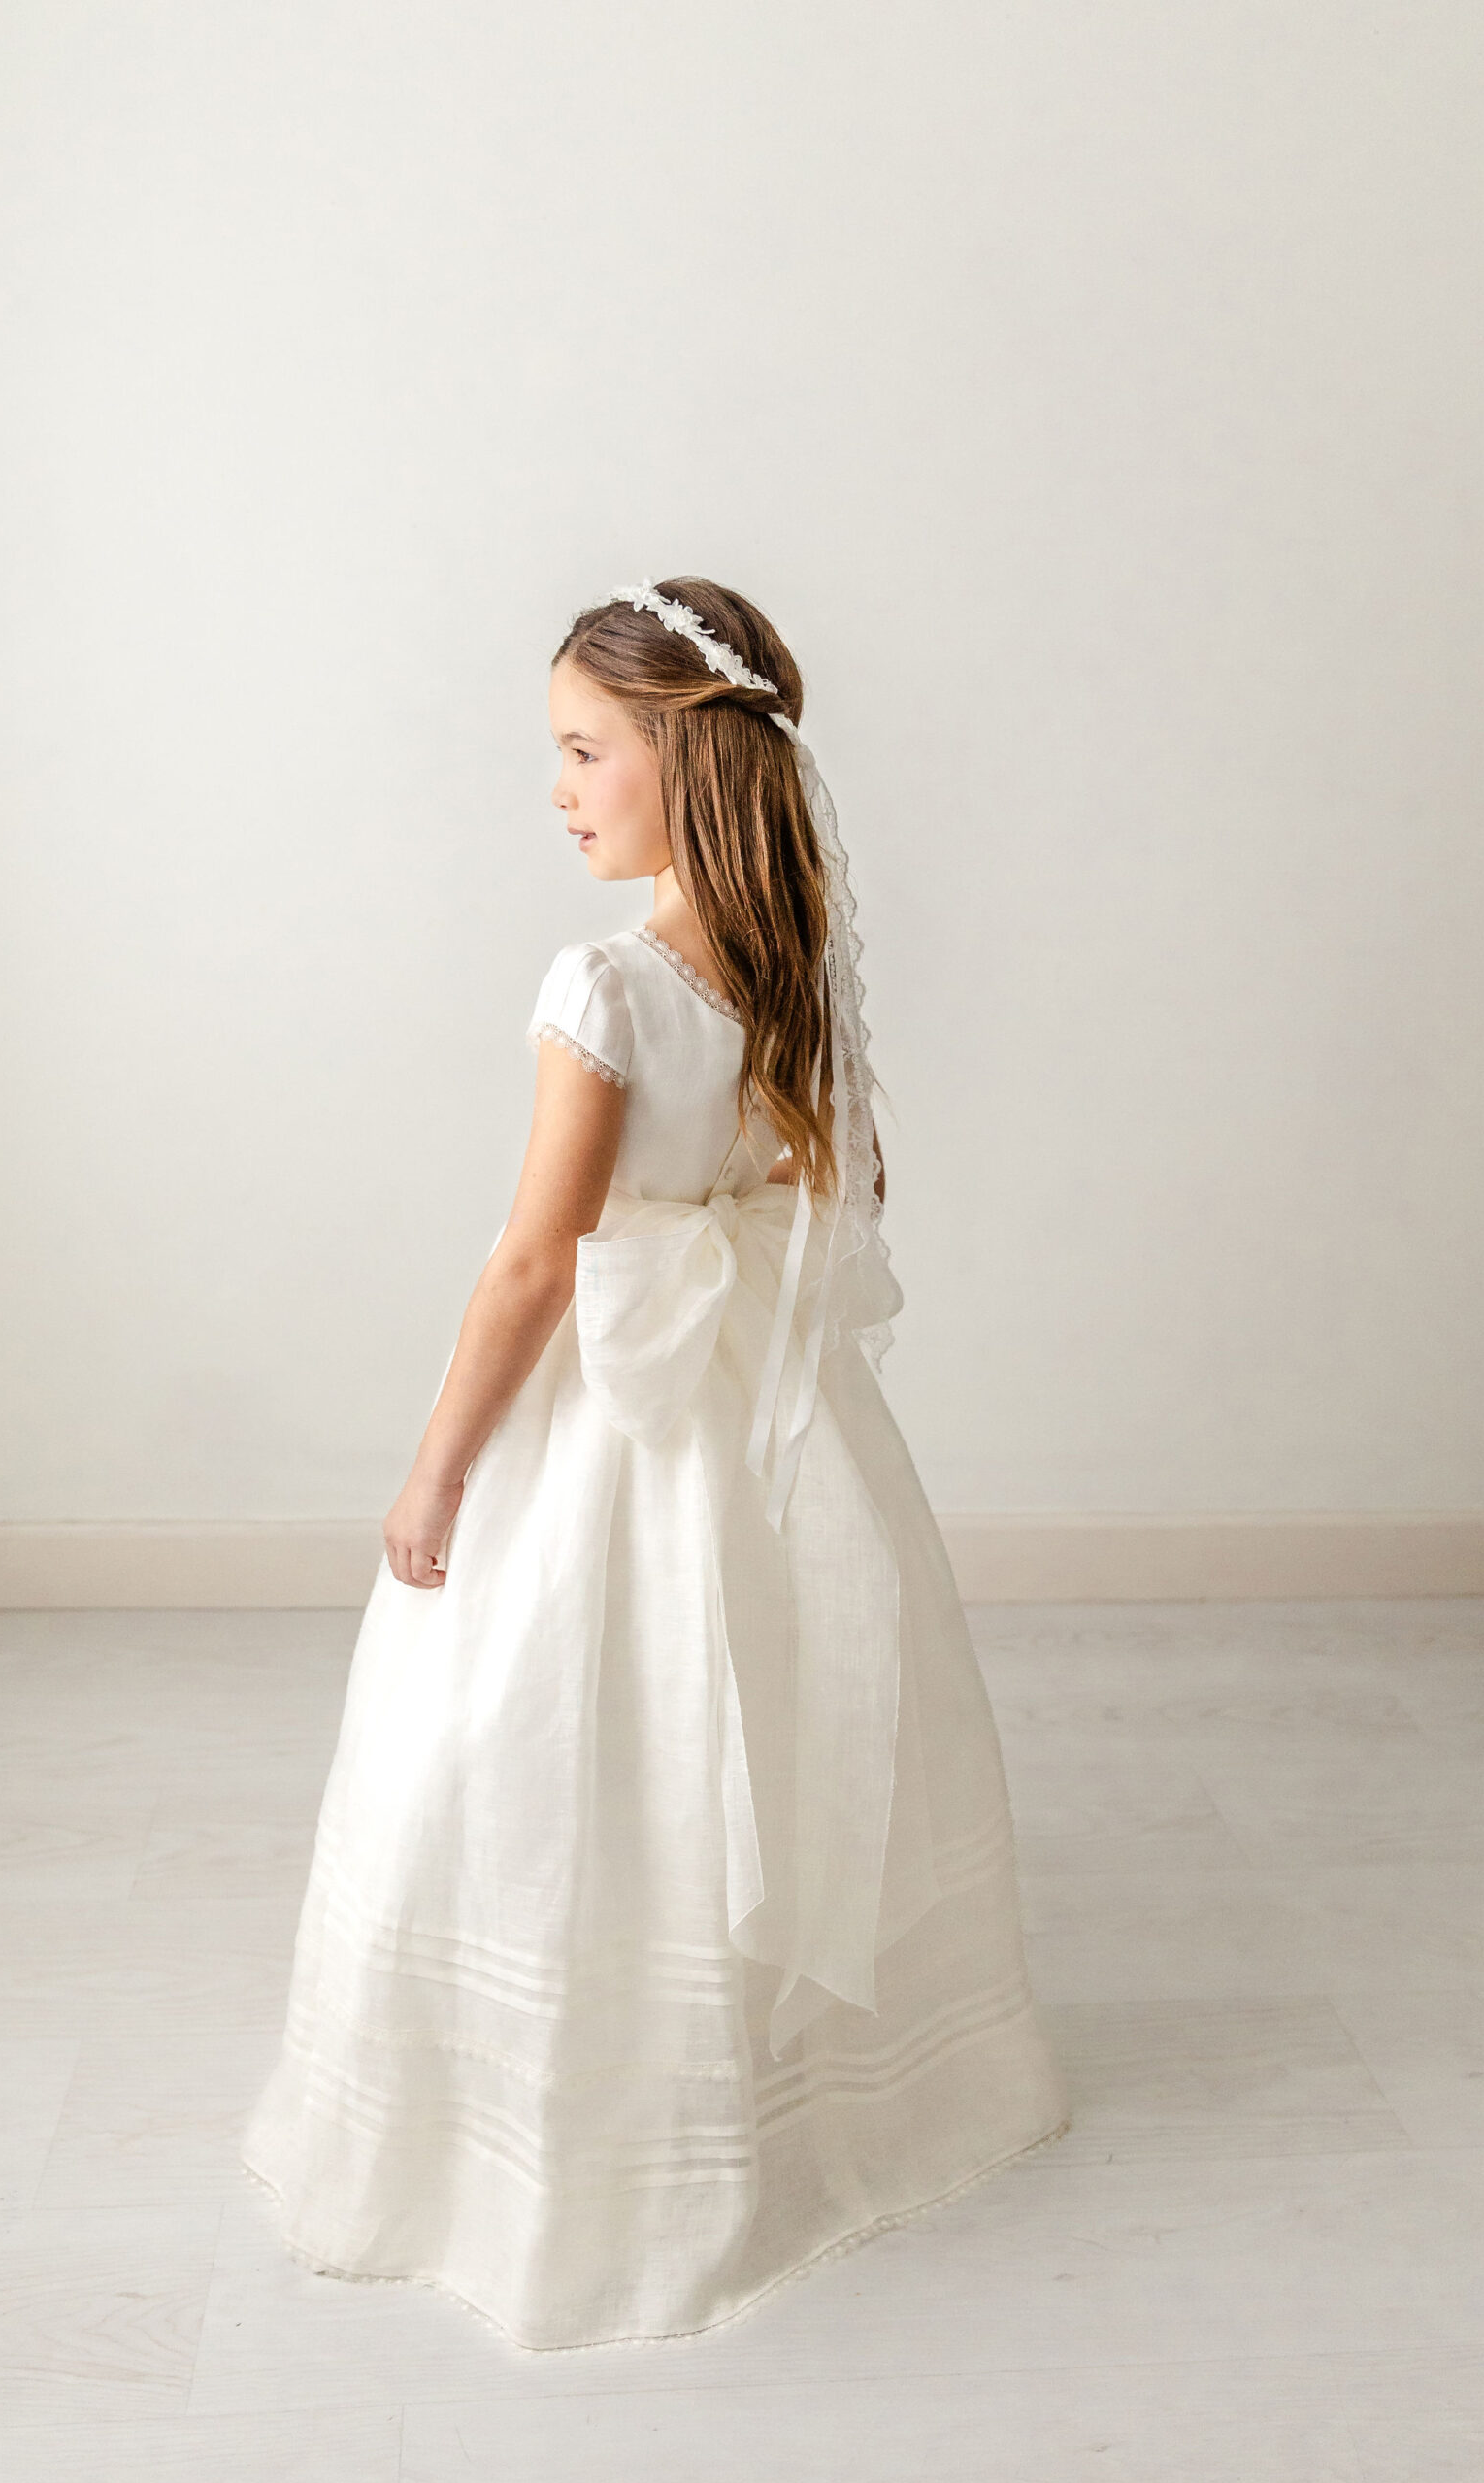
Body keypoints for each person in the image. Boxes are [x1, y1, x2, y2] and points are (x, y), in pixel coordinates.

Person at [241, 576, 1070, 2351]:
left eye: (582, 749)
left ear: (681, 764)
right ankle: (788, 2095)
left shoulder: (607, 983)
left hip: (607, 1427)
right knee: (740, 1717)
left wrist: (437, 1474)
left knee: (555, 1736)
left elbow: (538, 1265)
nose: (557, 787)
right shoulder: (779, 965)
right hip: (758, 1434)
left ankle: (573, 2139)